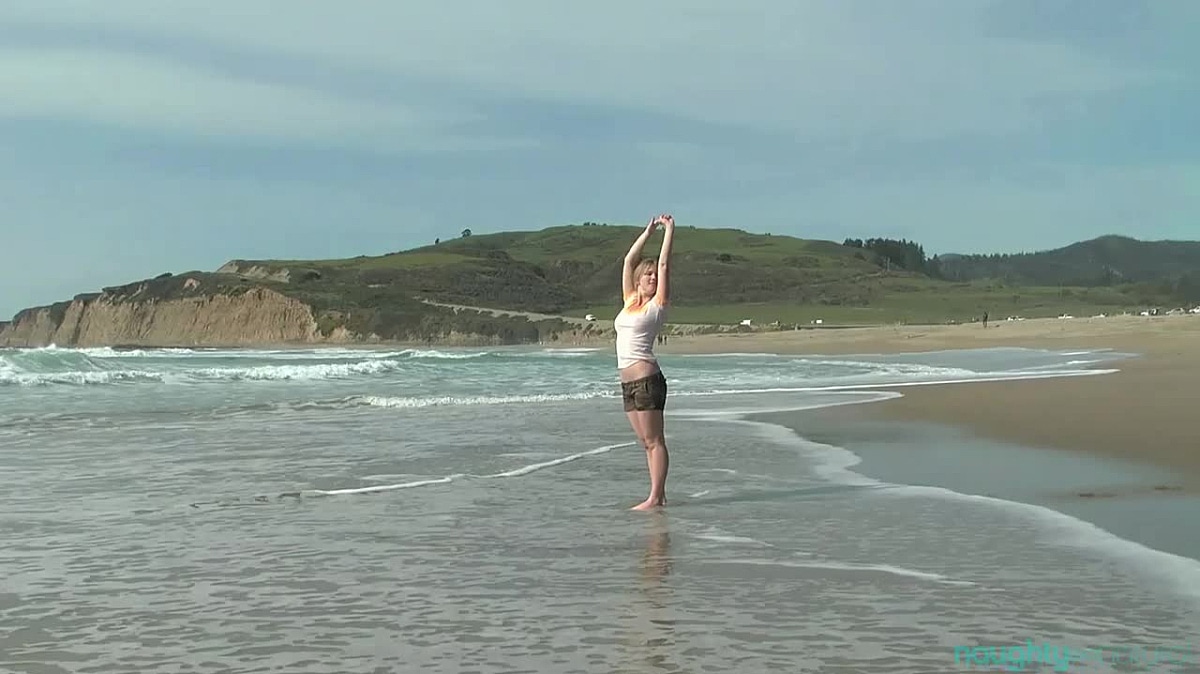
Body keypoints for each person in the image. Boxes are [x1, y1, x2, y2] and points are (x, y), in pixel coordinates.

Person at [614, 213, 675, 510]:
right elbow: (628, 260)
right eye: (647, 275)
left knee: (654, 440)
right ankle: (658, 495)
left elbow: (664, 264)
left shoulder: (657, 305)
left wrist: (669, 231)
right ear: (638, 280)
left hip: (648, 381)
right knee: (646, 442)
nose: (652, 278)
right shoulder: (629, 302)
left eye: (654, 276)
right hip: (628, 384)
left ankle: (655, 496)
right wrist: (648, 232)